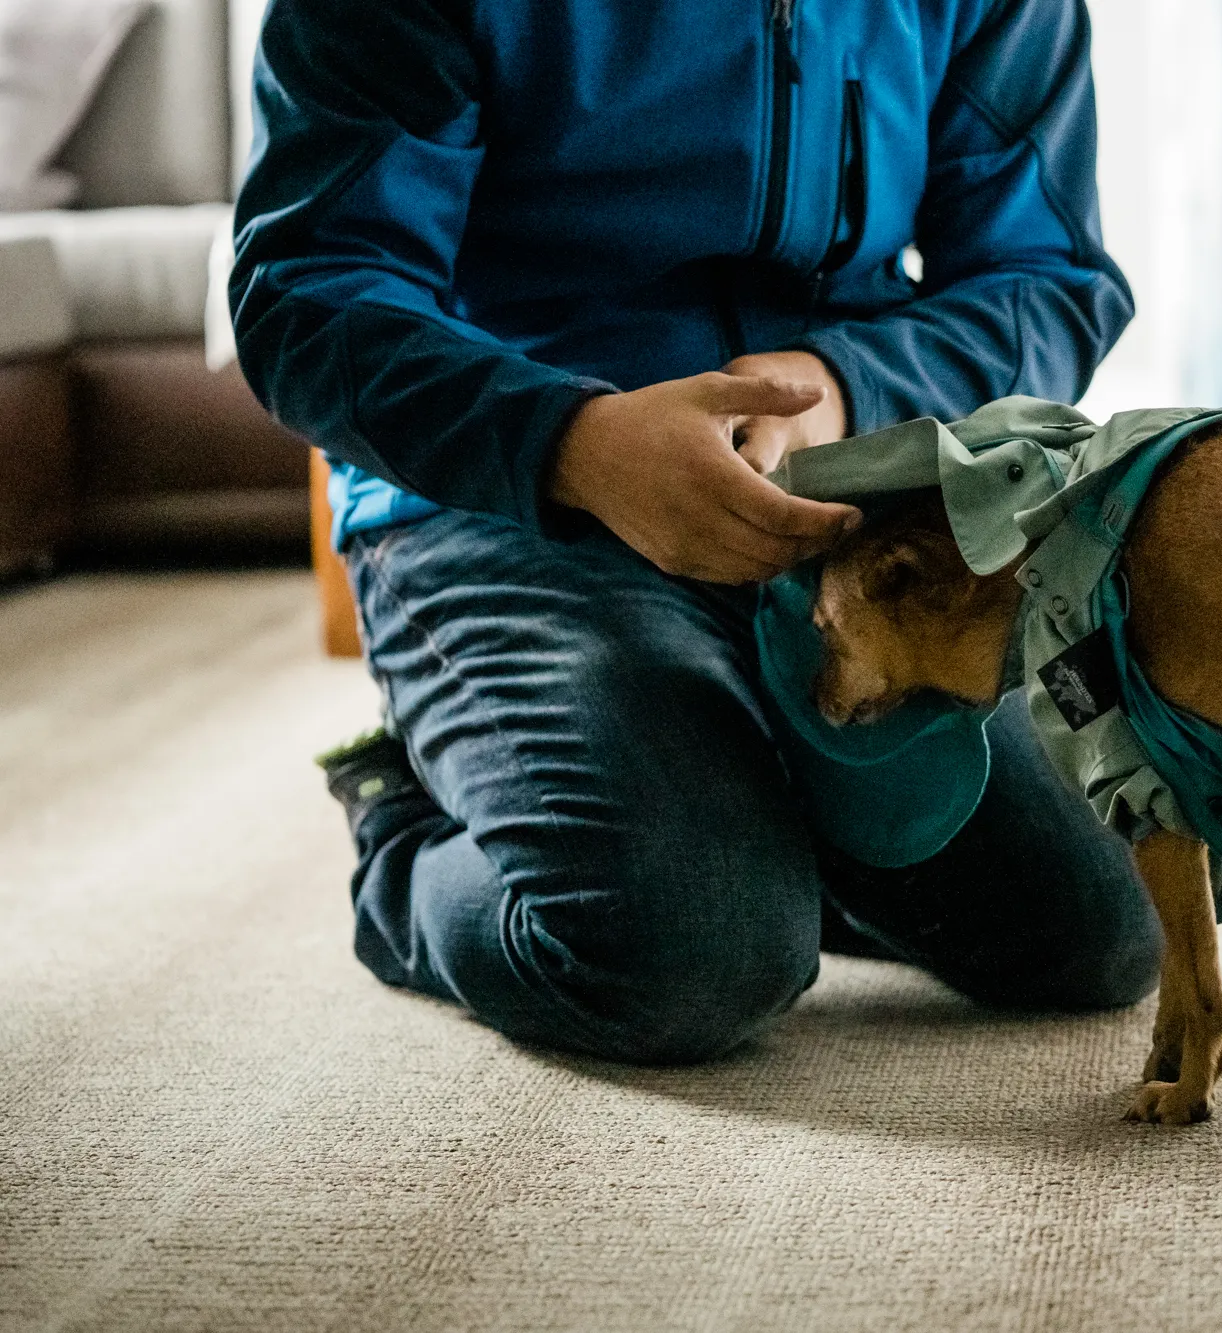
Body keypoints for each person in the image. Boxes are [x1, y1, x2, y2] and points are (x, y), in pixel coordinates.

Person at [231, 0, 1163, 1065]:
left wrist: (841, 389)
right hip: (502, 498)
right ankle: (399, 825)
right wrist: (573, 443)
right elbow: (305, 289)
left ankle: (742, 817)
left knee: (1107, 923)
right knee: (694, 954)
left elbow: (1049, 277)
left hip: (846, 487)